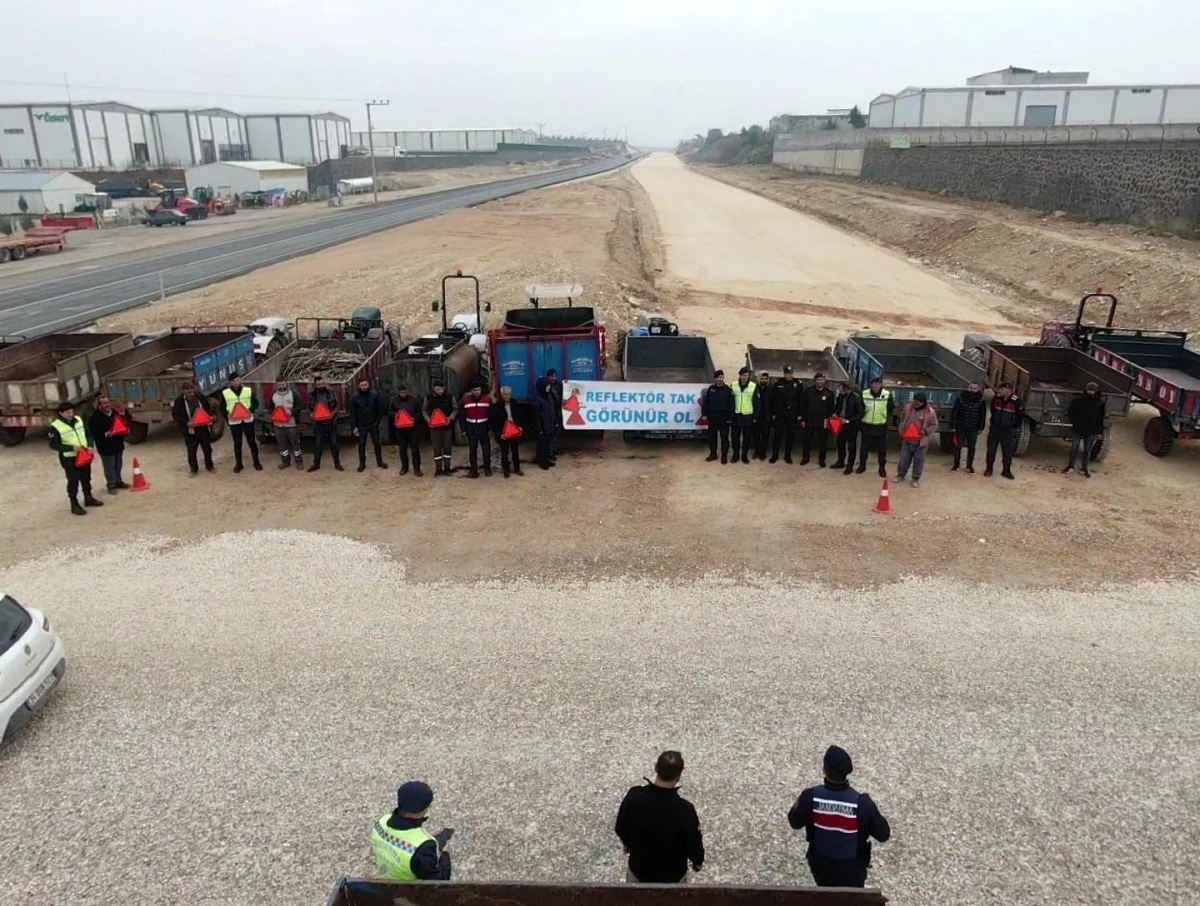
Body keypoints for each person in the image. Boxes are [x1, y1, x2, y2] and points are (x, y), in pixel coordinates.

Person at [787, 746, 891, 889]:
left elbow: (794, 822)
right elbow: (884, 834)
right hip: (854, 870)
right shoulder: (862, 804)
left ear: (824, 770)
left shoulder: (810, 797)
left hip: (821, 869)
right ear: (846, 773)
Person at [614, 751, 704, 884]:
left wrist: (628, 844)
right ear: (678, 776)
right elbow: (693, 842)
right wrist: (697, 863)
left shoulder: (634, 797)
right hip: (673, 878)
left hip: (639, 872)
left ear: (656, 768)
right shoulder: (685, 810)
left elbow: (620, 827)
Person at [369, 780, 453, 881]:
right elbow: (438, 881)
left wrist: (426, 838)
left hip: (385, 879)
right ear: (425, 808)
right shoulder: (424, 848)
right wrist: (445, 854)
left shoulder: (381, 821)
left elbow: (396, 840)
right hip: (408, 892)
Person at [49, 401, 103, 516]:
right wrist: (71, 448)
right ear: (61, 413)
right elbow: (54, 444)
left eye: (71, 411)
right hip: (69, 458)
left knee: (86, 477)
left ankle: (88, 498)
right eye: (67, 412)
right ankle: (74, 504)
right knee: (73, 481)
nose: (70, 414)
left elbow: (88, 434)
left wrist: (90, 445)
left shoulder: (78, 420)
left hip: (83, 455)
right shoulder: (55, 426)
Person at [220, 372, 262, 474]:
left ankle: (256, 462)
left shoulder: (247, 390)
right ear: (230, 382)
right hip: (235, 422)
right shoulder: (225, 393)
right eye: (234, 381)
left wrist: (250, 410)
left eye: (238, 380)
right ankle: (239, 464)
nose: (236, 382)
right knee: (237, 444)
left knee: (252, 442)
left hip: (247, 420)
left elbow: (255, 403)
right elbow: (222, 407)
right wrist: (227, 415)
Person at [172, 382, 216, 477]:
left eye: (191, 388)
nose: (190, 391)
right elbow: (176, 416)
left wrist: (209, 418)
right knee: (192, 451)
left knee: (207, 449)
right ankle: (193, 470)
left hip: (203, 429)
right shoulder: (179, 401)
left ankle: (210, 466)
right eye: (187, 389)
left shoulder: (200, 397)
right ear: (183, 391)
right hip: (190, 431)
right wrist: (186, 423)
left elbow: (207, 409)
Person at [895, 392, 939, 488]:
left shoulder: (930, 412)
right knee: (903, 460)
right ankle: (900, 475)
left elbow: (934, 424)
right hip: (907, 440)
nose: (916, 403)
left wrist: (926, 431)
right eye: (915, 400)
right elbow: (902, 419)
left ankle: (915, 478)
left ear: (924, 403)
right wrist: (901, 430)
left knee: (919, 461)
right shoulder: (908, 408)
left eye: (919, 402)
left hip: (920, 443)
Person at [87, 395, 129, 494]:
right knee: (109, 467)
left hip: (118, 445)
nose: (107, 405)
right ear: (99, 405)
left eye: (108, 402)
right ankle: (111, 485)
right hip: (106, 447)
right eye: (104, 403)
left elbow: (121, 424)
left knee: (118, 465)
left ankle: (118, 481)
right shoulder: (94, 418)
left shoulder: (114, 413)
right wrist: (106, 434)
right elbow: (94, 434)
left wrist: (125, 430)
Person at [1064, 381, 1105, 477]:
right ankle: (1070, 466)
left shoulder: (1100, 403)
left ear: (1096, 391)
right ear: (1086, 390)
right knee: (1074, 448)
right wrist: (1074, 422)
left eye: (1092, 390)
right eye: (1089, 390)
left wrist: (1099, 430)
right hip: (1078, 429)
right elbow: (1071, 411)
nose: (1090, 392)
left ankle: (1084, 469)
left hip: (1091, 431)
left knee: (1087, 450)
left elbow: (1101, 418)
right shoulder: (1079, 400)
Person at [985, 380, 1023, 480]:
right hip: (995, 429)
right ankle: (989, 469)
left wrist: (1013, 427)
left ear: (1008, 390)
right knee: (991, 450)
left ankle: (1006, 471)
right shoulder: (997, 398)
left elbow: (1020, 416)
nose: (1000, 391)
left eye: (1002, 389)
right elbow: (993, 410)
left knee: (1007, 452)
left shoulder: (1016, 401)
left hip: (1008, 430)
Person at [856, 376, 893, 477]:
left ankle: (881, 468)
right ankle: (862, 466)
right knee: (864, 449)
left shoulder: (887, 395)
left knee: (881, 450)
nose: (875, 386)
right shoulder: (864, 393)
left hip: (880, 426)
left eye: (877, 383)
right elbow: (860, 409)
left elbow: (890, 409)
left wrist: (884, 419)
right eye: (873, 383)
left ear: (881, 384)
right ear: (870, 384)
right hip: (867, 426)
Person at [350, 377, 388, 472]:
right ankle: (362, 464)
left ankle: (380, 462)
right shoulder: (355, 398)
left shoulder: (375, 396)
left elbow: (380, 410)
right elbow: (353, 413)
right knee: (361, 445)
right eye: (362, 385)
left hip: (373, 424)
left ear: (368, 385)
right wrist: (354, 426)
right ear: (359, 386)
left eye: (365, 385)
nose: (364, 387)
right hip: (361, 425)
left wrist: (377, 422)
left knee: (377, 444)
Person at [307, 374, 343, 472]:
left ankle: (337, 463)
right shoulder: (311, 394)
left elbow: (337, 404)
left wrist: (333, 412)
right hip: (318, 424)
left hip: (331, 422)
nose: (320, 386)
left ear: (324, 383)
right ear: (315, 385)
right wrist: (311, 414)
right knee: (317, 445)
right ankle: (316, 464)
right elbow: (309, 407)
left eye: (322, 384)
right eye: (318, 385)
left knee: (334, 444)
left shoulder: (331, 392)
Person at [949, 381, 987, 473]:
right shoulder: (961, 398)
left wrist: (981, 428)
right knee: (957, 446)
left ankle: (969, 466)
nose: (972, 390)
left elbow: (983, 415)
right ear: (967, 388)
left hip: (973, 428)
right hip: (960, 427)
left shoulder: (981, 400)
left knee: (972, 447)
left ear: (978, 390)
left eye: (974, 389)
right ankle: (956, 465)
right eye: (970, 388)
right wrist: (953, 426)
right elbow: (955, 413)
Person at [424, 378, 458, 476]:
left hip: (447, 427)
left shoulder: (450, 397)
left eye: (441, 389)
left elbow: (455, 409)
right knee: (436, 448)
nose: (439, 391)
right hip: (434, 428)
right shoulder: (428, 398)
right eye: (437, 389)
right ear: (434, 388)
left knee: (447, 448)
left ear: (444, 388)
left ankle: (447, 468)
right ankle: (438, 469)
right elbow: (424, 410)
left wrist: (450, 418)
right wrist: (428, 420)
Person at [801, 372, 837, 467]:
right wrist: (803, 420)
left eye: (821, 380)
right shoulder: (809, 391)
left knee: (822, 442)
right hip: (810, 420)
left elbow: (831, 409)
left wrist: (829, 422)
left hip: (823, 421)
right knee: (807, 441)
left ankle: (822, 460)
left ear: (825, 381)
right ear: (815, 381)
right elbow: (804, 406)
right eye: (818, 380)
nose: (819, 381)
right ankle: (805, 458)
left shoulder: (829, 393)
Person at [770, 366, 803, 464]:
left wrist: (800, 414)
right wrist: (774, 413)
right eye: (787, 373)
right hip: (780, 413)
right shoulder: (778, 383)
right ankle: (774, 455)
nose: (789, 375)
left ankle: (787, 456)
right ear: (784, 374)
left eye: (791, 373)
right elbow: (774, 400)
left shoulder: (798, 384)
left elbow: (801, 400)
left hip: (792, 414)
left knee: (790, 436)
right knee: (777, 435)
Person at [388, 385, 423, 477]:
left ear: (408, 391)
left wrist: (413, 419)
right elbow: (390, 411)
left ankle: (417, 469)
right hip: (400, 430)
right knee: (402, 449)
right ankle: (404, 467)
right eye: (401, 393)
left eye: (404, 392)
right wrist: (398, 415)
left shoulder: (414, 400)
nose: (403, 394)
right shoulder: (394, 400)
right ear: (398, 392)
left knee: (415, 449)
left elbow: (420, 412)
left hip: (413, 429)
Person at [489, 385, 524, 478]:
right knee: (504, 452)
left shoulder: (514, 403)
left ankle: (517, 469)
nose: (507, 396)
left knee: (515, 451)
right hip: (503, 433)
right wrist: (499, 433)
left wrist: (520, 426)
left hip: (514, 431)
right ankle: (506, 470)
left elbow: (519, 416)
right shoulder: (496, 406)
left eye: (508, 394)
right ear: (501, 394)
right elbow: (492, 422)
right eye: (505, 394)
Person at [460, 383, 493, 478]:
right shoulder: (465, 401)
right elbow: (462, 416)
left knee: (486, 450)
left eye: (478, 390)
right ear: (471, 391)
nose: (477, 392)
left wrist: (490, 428)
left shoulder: (487, 400)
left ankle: (487, 469)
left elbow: (491, 416)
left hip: (484, 428)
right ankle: (473, 470)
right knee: (472, 450)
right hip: (471, 428)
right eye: (474, 390)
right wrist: (463, 429)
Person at [831, 381, 864, 475]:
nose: (840, 390)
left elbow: (860, 414)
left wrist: (848, 420)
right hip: (840, 424)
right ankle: (840, 461)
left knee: (851, 446)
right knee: (840, 443)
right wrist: (835, 413)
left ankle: (850, 466)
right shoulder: (841, 397)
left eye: (841, 388)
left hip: (851, 426)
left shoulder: (856, 399)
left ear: (847, 388)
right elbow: (838, 407)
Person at [270, 379, 303, 470]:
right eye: (279, 385)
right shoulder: (273, 395)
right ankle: (285, 461)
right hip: (278, 425)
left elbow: (300, 405)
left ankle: (299, 462)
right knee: (282, 445)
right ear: (276, 385)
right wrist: (273, 415)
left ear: (286, 384)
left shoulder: (293, 394)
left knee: (295, 444)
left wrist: (292, 412)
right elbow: (271, 407)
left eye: (282, 384)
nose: (281, 386)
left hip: (291, 424)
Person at [701, 370, 733, 463]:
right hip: (713, 417)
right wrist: (704, 414)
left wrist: (730, 418)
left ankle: (724, 455)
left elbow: (731, 405)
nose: (719, 379)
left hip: (724, 417)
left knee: (724, 437)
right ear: (714, 379)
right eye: (717, 377)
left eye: (721, 377)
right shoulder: (711, 389)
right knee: (712, 437)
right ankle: (713, 454)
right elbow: (705, 403)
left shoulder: (728, 390)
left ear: (723, 378)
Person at [730, 367, 758, 464]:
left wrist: (755, 416)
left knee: (747, 438)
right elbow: (730, 401)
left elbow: (756, 403)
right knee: (735, 438)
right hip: (736, 415)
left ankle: (744, 456)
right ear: (740, 376)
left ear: (748, 376)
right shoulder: (733, 385)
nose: (744, 377)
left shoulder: (753, 386)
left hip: (747, 416)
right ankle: (735, 455)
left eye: (746, 375)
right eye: (742, 375)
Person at [534, 379, 558, 470]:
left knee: (548, 444)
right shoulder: (538, 399)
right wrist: (539, 428)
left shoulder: (549, 396)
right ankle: (542, 462)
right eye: (547, 386)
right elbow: (537, 415)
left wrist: (555, 421)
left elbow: (553, 410)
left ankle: (547, 460)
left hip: (550, 424)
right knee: (542, 445)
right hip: (543, 427)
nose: (549, 387)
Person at [543, 369, 564, 465]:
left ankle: (552, 451)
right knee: (550, 436)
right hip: (551, 416)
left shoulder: (559, 385)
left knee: (555, 435)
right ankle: (550, 454)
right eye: (551, 376)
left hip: (558, 414)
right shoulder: (545, 387)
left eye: (554, 376)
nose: (553, 378)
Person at [754, 370, 774, 460]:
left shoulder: (771, 389)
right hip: (756, 416)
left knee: (765, 436)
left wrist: (773, 414)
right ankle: (756, 452)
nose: (763, 380)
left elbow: (774, 402)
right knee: (756, 435)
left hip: (767, 416)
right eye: (762, 378)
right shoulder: (754, 388)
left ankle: (763, 453)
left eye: (765, 378)